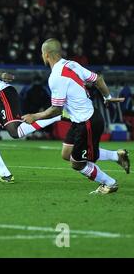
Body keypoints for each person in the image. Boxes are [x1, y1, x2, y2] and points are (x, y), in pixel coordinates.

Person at [22, 38, 130, 194]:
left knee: (77, 163)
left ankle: (109, 183)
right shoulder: (71, 64)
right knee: (67, 153)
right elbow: (97, 79)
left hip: (87, 122)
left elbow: (56, 110)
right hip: (81, 119)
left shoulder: (56, 77)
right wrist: (107, 96)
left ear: (46, 55)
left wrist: (34, 116)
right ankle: (117, 156)